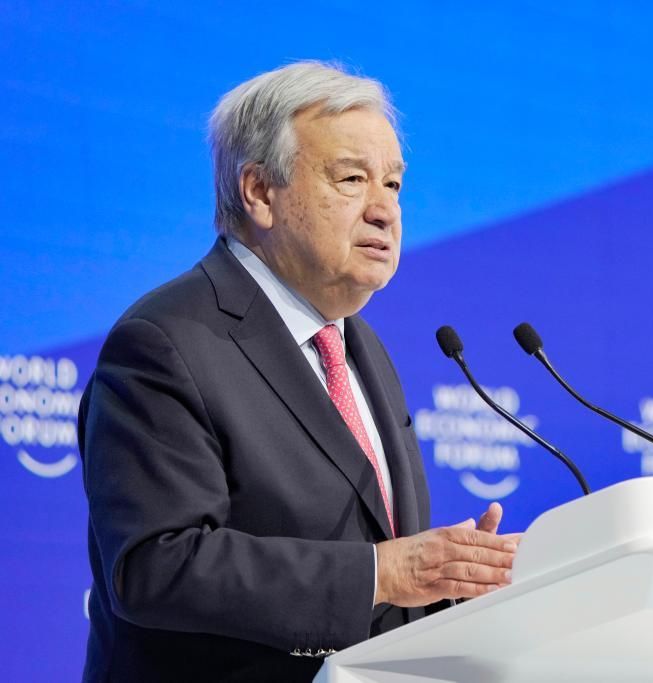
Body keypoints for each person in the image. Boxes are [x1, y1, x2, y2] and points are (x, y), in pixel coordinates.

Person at [78, 61, 517, 683]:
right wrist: (386, 572)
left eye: (394, 184)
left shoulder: (362, 347)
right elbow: (156, 565)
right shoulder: (166, 342)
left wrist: (454, 584)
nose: (385, 211)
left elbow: (380, 574)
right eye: (352, 178)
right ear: (260, 191)